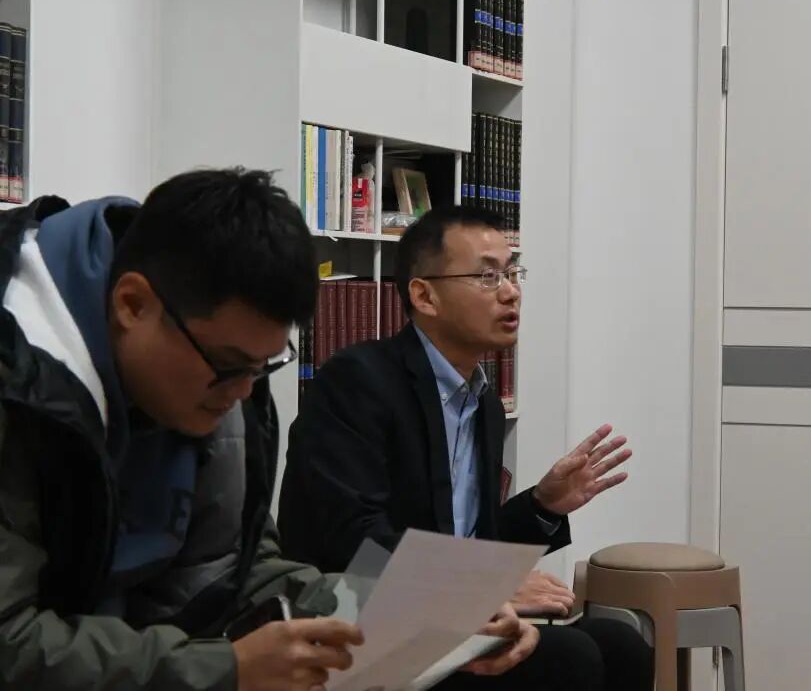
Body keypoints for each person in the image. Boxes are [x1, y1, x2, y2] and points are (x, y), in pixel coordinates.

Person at [0, 171, 535, 691]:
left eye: (263, 367)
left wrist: (426, 614)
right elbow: (11, 644)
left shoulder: (215, 378)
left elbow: (239, 574)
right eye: (230, 365)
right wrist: (225, 669)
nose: (241, 393)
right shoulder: (18, 386)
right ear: (132, 305)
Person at [279, 205, 655, 690]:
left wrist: (542, 505)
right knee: (570, 656)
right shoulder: (358, 382)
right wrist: (477, 590)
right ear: (425, 296)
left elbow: (468, 543)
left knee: (621, 643)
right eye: (487, 276)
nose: (511, 291)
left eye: (512, 272)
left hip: (446, 622)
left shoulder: (483, 404)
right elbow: (352, 541)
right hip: (357, 622)